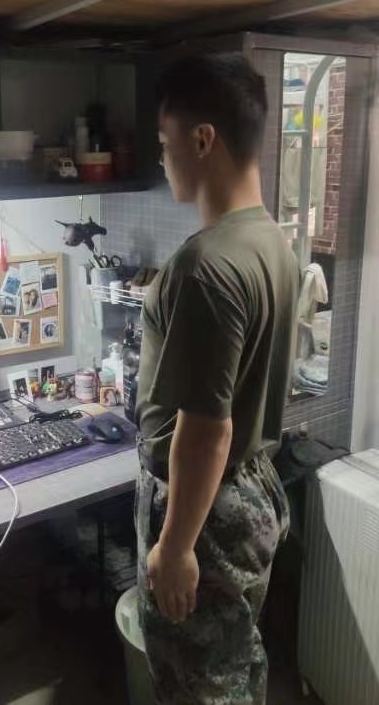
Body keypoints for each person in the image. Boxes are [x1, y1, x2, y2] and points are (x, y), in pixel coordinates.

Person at [135, 52, 299, 704]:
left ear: (203, 140)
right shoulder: (273, 241)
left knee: (200, 685)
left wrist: (176, 546)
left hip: (202, 510)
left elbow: (207, 430)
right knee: (234, 665)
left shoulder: (206, 266)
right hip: (252, 488)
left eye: (164, 143)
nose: (162, 159)